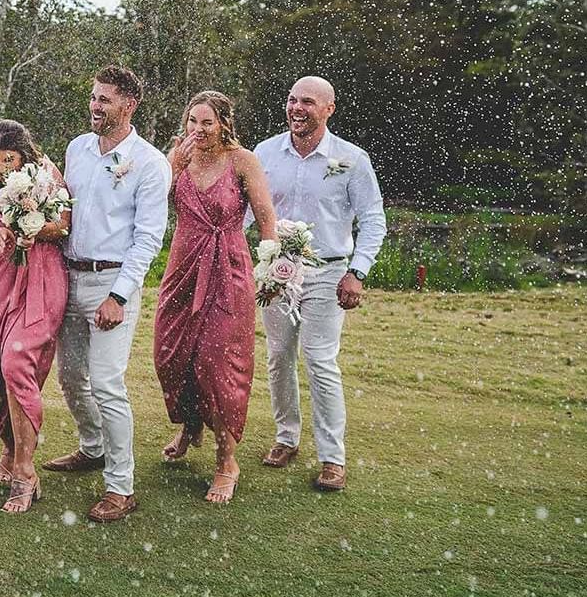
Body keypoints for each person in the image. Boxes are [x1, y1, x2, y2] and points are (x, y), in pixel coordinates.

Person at [44, 65, 170, 523]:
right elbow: (63, 211)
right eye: (93, 97)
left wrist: (118, 295)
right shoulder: (77, 149)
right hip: (68, 276)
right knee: (70, 376)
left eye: (105, 99)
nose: (95, 106)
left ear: (128, 105)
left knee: (107, 382)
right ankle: (92, 447)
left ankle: (122, 486)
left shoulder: (151, 163)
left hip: (112, 283)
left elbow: (148, 238)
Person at [251, 76, 386, 492]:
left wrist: (357, 271)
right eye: (292, 100)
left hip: (327, 271)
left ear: (328, 108)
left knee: (320, 361)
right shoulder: (265, 153)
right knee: (277, 356)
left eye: (307, 102)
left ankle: (333, 458)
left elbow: (374, 220)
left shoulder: (351, 158)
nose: (296, 108)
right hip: (276, 269)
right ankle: (286, 437)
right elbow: (248, 210)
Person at [153, 91, 276, 503]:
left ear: (224, 123)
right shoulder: (178, 157)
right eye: (192, 121)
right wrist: (173, 165)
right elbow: (153, 203)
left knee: (218, 362)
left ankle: (227, 460)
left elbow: (266, 221)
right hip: (182, 264)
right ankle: (190, 426)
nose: (198, 130)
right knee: (171, 355)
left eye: (207, 122)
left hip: (228, 267)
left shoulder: (243, 161)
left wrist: (275, 265)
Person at [0, 120, 70, 513]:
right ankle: (10, 448)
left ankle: (25, 470)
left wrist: (35, 229)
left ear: (24, 153)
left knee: (16, 362)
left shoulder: (47, 172)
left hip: (41, 277)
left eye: (9, 159)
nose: (3, 167)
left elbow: (63, 225)